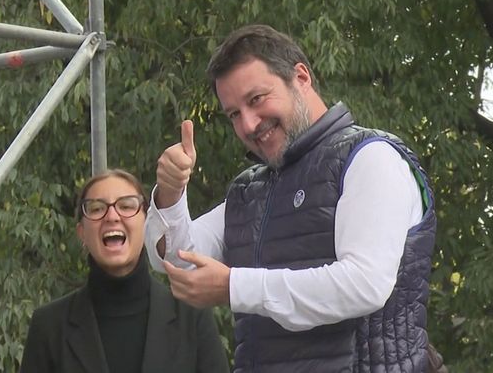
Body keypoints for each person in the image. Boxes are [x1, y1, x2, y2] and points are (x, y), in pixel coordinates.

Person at [145, 24, 437, 372]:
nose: (249, 124)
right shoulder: (249, 191)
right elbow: (176, 260)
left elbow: (364, 284)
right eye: (234, 114)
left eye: (256, 99)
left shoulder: (371, 157)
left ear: (301, 77)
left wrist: (236, 287)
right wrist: (170, 192)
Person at [20, 169, 229, 373]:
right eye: (96, 209)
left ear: (147, 224)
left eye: (126, 206)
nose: (112, 216)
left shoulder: (192, 318)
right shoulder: (49, 326)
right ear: (81, 233)